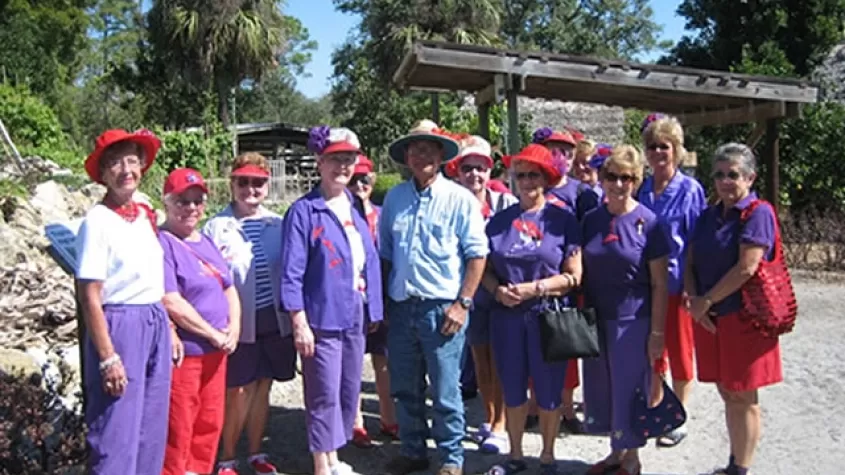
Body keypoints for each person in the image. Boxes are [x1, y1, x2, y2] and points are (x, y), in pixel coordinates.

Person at [380, 120, 488, 475]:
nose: (420, 154)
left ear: (441, 155)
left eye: (428, 148)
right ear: (406, 156)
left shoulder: (460, 199)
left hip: (442, 308)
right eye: (414, 148)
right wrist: (384, 305)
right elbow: (386, 255)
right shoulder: (394, 199)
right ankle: (413, 451)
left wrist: (463, 303)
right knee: (405, 387)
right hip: (402, 305)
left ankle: (451, 458)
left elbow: (477, 255)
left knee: (445, 390)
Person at [282, 126, 384, 475]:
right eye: (335, 159)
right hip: (321, 314)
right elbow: (292, 271)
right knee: (323, 391)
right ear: (320, 163)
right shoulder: (304, 211)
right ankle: (321, 464)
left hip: (354, 310)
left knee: (348, 387)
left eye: (349, 159)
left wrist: (373, 308)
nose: (343, 166)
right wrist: (298, 320)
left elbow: (368, 260)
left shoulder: (354, 206)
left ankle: (335, 456)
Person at [75, 129, 175, 475]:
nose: (126, 170)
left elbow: (152, 279)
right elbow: (90, 294)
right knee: (116, 431)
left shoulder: (144, 215)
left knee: (150, 429)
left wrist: (169, 326)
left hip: (154, 319)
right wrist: (107, 357)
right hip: (120, 325)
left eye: (132, 161)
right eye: (115, 163)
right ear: (103, 173)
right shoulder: (97, 222)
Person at [481, 143, 582, 475]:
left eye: (534, 175)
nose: (526, 182)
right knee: (512, 386)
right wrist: (497, 291)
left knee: (550, 388)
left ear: (547, 178)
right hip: (507, 317)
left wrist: (535, 288)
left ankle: (548, 456)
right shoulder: (498, 222)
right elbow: (484, 269)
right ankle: (515, 454)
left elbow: (574, 275)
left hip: (547, 315)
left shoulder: (563, 220)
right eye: (521, 175)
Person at [685, 143, 782, 475]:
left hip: (743, 317)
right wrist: (695, 302)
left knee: (743, 395)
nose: (725, 181)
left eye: (734, 174)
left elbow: (747, 267)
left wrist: (706, 301)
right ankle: (734, 463)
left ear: (750, 178)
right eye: (719, 174)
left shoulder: (757, 213)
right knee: (727, 391)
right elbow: (690, 261)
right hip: (710, 317)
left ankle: (742, 468)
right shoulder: (708, 216)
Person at [204, 153, 296, 475]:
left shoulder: (279, 224)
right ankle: (228, 457)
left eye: (257, 182)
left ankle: (257, 452)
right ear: (232, 184)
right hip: (239, 325)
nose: (250, 189)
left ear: (267, 185)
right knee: (238, 391)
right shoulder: (216, 227)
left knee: (263, 386)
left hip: (274, 321)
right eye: (243, 182)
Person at [581, 145, 670, 475]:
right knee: (603, 388)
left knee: (630, 388)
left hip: (633, 320)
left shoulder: (650, 223)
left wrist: (657, 333)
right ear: (602, 179)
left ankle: (632, 457)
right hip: (595, 319)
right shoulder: (591, 220)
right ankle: (616, 452)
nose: (619, 184)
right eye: (612, 176)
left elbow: (660, 283)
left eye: (627, 178)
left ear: (637, 181)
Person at [159, 168, 241, 475]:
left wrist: (234, 327)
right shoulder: (163, 243)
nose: (191, 208)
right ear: (167, 202)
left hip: (216, 352)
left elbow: (228, 286)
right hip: (188, 354)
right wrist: (212, 334)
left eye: (197, 201)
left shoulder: (205, 240)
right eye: (182, 201)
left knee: (209, 423)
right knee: (179, 427)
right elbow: (171, 300)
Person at [638, 114, 706, 447]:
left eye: (664, 146)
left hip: (677, 284)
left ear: (676, 149)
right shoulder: (642, 188)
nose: (658, 153)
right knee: (652, 349)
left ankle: (679, 415)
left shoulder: (690, 190)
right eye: (652, 146)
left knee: (680, 352)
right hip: (646, 285)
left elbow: (696, 243)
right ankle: (656, 407)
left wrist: (694, 288)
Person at [450, 135, 518, 454]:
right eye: (468, 168)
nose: (474, 174)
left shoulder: (506, 203)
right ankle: (489, 418)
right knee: (480, 360)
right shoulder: (451, 202)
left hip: (500, 289)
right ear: (458, 171)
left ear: (490, 171)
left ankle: (502, 424)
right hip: (467, 292)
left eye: (481, 168)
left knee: (500, 358)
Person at [527, 127, 582, 431]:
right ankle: (535, 405)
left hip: (565, 280)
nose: (562, 156)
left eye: (567, 151)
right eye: (555, 150)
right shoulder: (535, 186)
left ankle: (567, 409)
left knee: (565, 347)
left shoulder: (580, 192)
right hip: (534, 278)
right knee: (534, 347)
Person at [348, 154, 399, 448]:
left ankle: (389, 418)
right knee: (354, 361)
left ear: (374, 179)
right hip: (354, 298)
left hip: (382, 297)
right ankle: (356, 423)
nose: (360, 185)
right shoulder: (342, 216)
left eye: (365, 178)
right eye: (354, 179)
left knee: (384, 361)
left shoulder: (383, 215)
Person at [574, 143, 612, 221]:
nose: (580, 167)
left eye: (585, 163)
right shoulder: (573, 192)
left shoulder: (610, 191)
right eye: (576, 164)